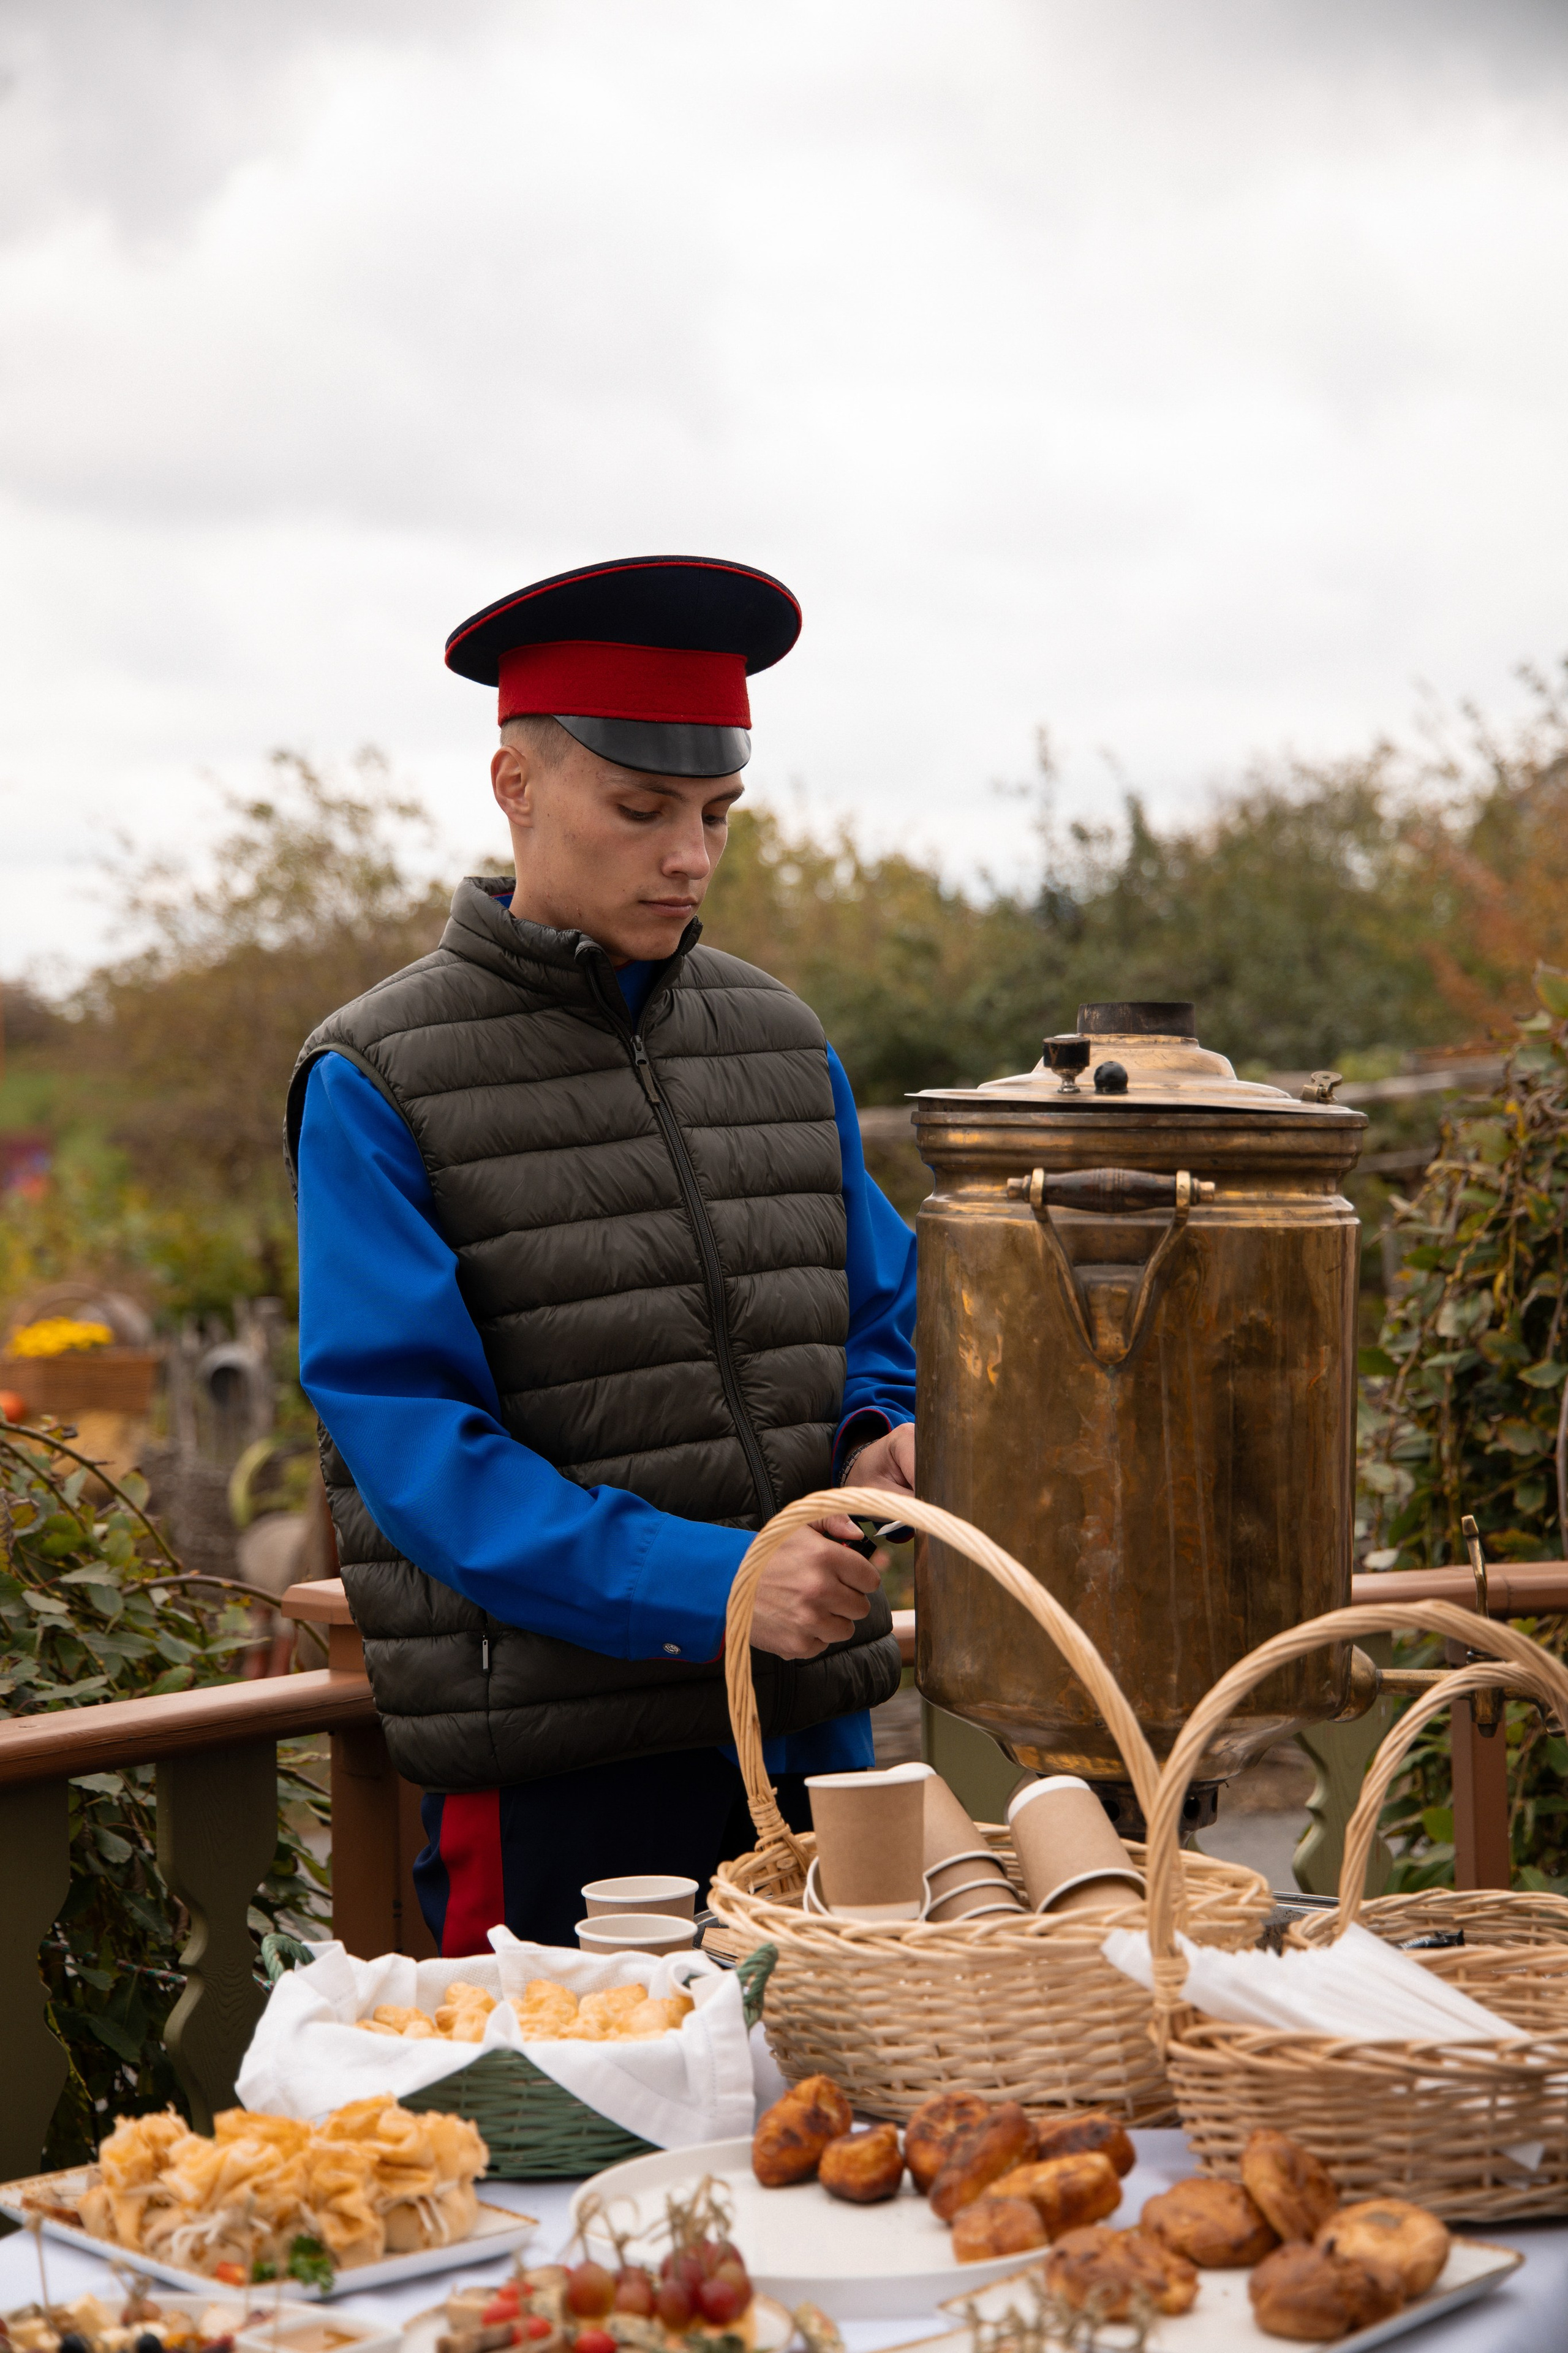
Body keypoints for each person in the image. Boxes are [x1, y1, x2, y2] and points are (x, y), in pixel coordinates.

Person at [287, 554, 918, 1951]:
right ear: (514, 788)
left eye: (715, 812)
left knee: (838, 2137)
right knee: (566, 2155)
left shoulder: (782, 1036)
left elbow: (879, 1315)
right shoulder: (371, 1073)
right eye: (640, 810)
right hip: (551, 1778)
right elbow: (420, 1457)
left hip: (817, 1747)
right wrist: (722, 1584)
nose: (688, 854)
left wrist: (884, 1426)